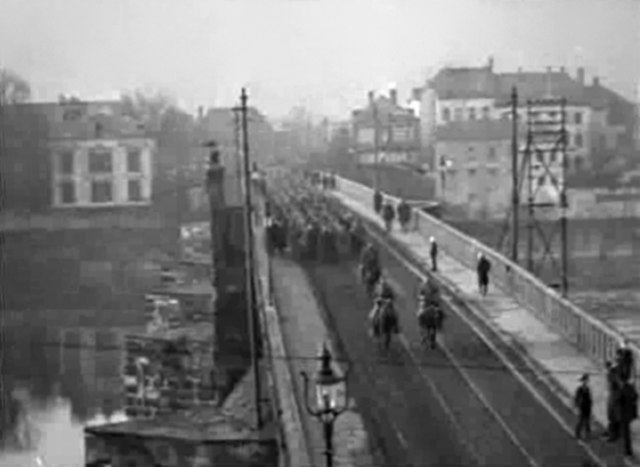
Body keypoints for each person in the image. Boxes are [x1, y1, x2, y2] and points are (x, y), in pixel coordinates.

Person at [574, 373, 593, 440]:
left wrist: (590, 404)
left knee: (587, 420)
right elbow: (576, 398)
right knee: (581, 420)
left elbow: (589, 398)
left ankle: (587, 432)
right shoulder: (580, 388)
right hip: (582, 407)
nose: (587, 381)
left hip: (587, 407)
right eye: (586, 379)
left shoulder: (587, 388)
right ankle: (577, 433)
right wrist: (576, 406)